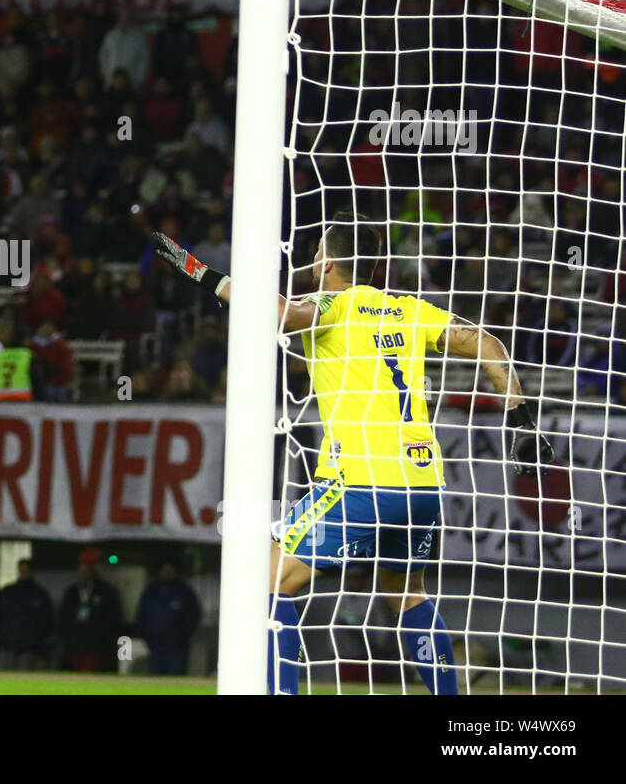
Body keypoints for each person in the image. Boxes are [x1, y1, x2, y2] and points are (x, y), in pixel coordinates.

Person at [153, 214, 553, 694]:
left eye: (319, 250)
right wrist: (520, 416)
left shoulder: (334, 305)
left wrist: (200, 272)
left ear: (327, 262)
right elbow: (488, 343)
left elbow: (278, 313)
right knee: (408, 595)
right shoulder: (409, 308)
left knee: (268, 580)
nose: (315, 257)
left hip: (361, 482)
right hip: (422, 485)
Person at [57, 547, 122, 672]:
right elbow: (63, 619)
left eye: (89, 566)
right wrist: (70, 642)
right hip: (75, 649)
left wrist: (103, 642)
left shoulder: (107, 592)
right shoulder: (73, 592)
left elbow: (113, 620)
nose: (85, 569)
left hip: (98, 650)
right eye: (82, 565)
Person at [136, 561, 202, 676]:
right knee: (155, 679)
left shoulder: (185, 592)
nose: (167, 572)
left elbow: (193, 616)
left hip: (178, 648)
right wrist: (148, 638)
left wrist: (183, 637)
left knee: (176, 678)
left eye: (170, 569)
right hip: (155, 647)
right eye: (165, 569)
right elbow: (142, 616)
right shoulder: (151, 592)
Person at [0, 558, 54, 670]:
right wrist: (5, 637)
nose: (24, 573)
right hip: (7, 647)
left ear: (32, 572)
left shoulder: (40, 595)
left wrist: (34, 641)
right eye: (22, 570)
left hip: (30, 649)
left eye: (27, 570)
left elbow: (47, 622)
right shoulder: (7, 592)